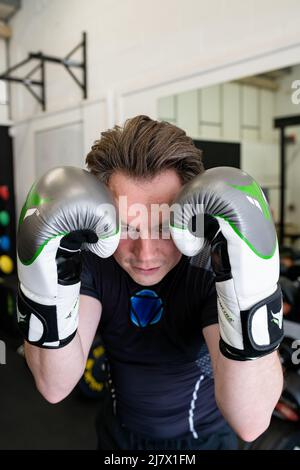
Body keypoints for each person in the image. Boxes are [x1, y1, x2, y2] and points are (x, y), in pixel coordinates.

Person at [17, 115, 284, 450]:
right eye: (128, 228)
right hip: (119, 437)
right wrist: (45, 277)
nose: (145, 254)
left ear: (190, 216)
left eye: (162, 228)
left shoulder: (207, 269)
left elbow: (251, 421)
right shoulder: (94, 261)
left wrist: (251, 291)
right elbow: (54, 386)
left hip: (203, 442)